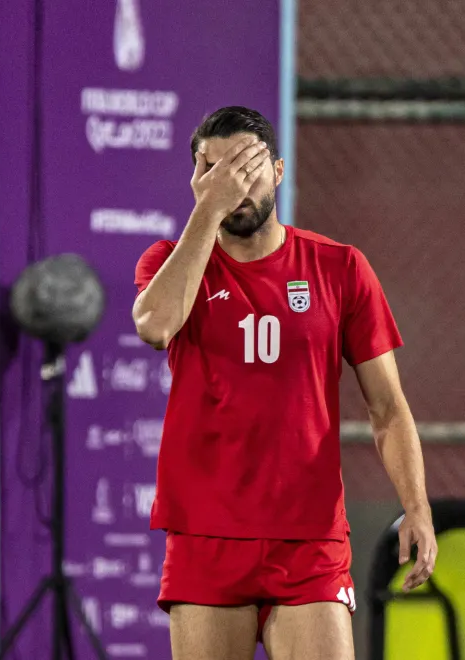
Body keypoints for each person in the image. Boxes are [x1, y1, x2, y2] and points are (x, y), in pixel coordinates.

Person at [131, 106, 437, 660]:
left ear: (277, 170)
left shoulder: (340, 268)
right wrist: (209, 209)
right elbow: (154, 326)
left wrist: (417, 506)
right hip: (206, 534)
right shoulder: (169, 263)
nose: (231, 184)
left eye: (244, 167)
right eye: (214, 170)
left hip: (310, 536)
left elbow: (388, 409)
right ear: (197, 181)